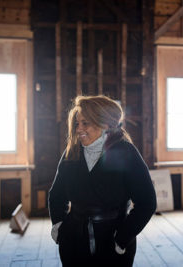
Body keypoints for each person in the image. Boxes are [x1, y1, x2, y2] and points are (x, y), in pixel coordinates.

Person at [48, 95, 157, 266]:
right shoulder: (71, 154)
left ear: (105, 123)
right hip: (74, 243)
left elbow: (147, 202)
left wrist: (122, 239)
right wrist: (60, 228)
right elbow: (56, 196)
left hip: (113, 245)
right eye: (77, 123)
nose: (79, 129)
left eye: (85, 123)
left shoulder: (126, 153)